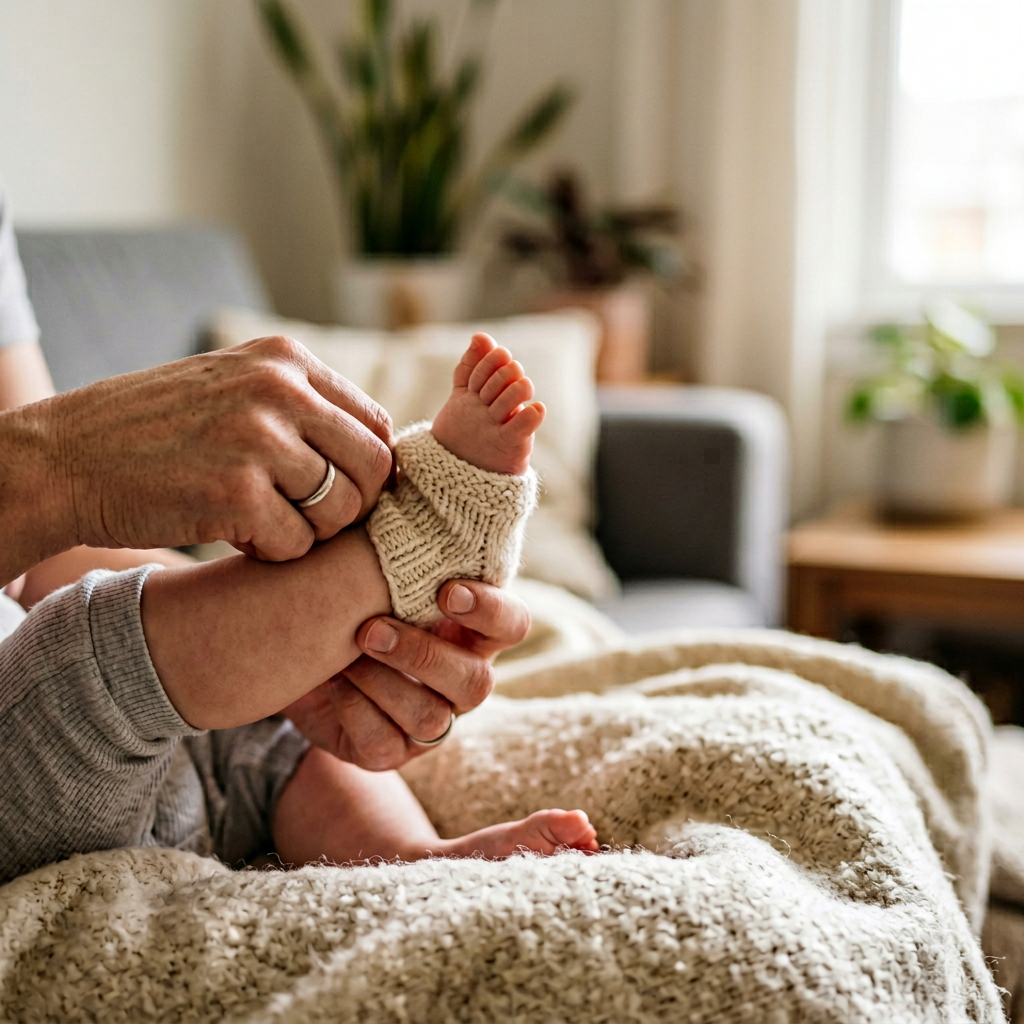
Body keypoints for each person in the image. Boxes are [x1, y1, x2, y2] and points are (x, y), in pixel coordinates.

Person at [0, 184, 596, 881]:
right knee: (89, 651)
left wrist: (286, 651)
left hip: (143, 758)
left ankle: (412, 859)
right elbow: (50, 483)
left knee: (272, 726)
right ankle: (415, 539)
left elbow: (41, 538)